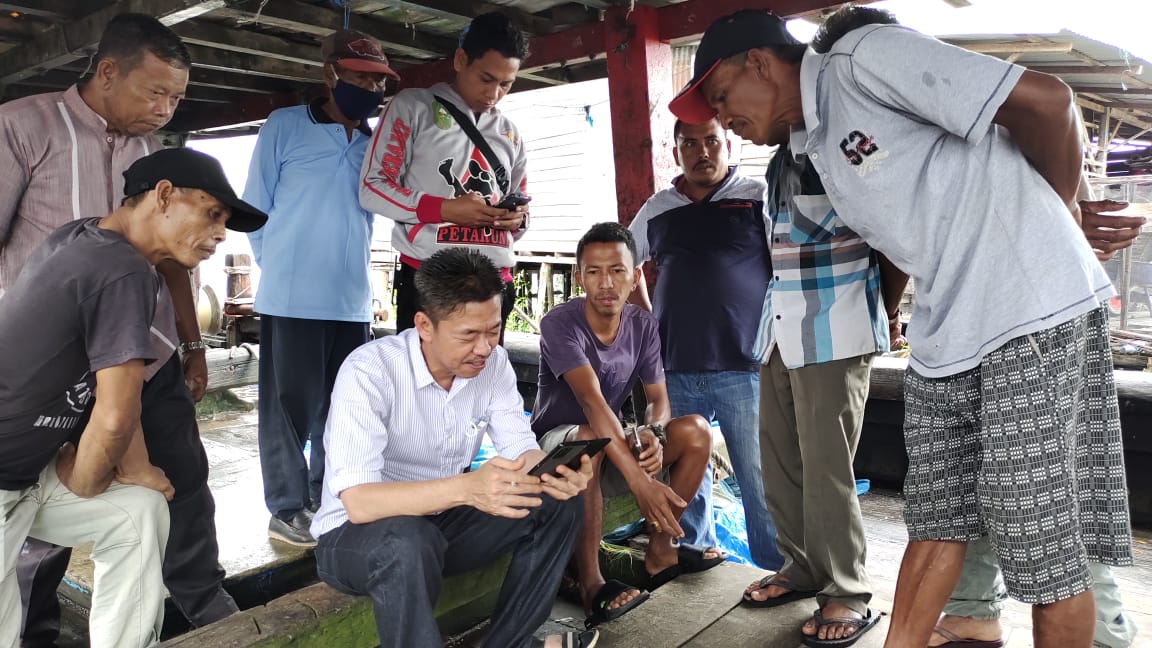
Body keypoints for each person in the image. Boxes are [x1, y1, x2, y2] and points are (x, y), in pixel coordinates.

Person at [670, 6, 1133, 648]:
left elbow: (1048, 103)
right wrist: (892, 310)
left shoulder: (861, 59)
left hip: (1027, 310)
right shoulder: (817, 143)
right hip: (946, 328)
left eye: (722, 98)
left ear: (759, 63)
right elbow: (898, 237)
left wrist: (1063, 219)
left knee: (1042, 547)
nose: (722, 121)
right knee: (935, 518)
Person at [0, 14, 239, 642]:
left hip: (144, 352)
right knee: (38, 519)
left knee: (177, 485)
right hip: (53, 368)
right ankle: (34, 629)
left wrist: (191, 344)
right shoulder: (23, 127)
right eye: (155, 92)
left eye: (176, 99)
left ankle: (207, 614)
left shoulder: (154, 157)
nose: (165, 109)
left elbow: (173, 261)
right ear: (108, 72)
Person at [311, 248, 597, 648]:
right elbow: (358, 503)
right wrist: (466, 489)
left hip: (440, 527)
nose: (484, 348)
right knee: (407, 541)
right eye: (468, 335)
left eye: (493, 330)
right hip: (356, 539)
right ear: (424, 326)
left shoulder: (493, 365)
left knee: (557, 502)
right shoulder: (370, 371)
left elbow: (520, 449)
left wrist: (555, 473)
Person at [932, 185, 1146, 648]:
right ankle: (971, 610)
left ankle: (1102, 633)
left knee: (1051, 482)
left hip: (1042, 302)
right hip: (974, 299)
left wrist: (1066, 217)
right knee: (972, 468)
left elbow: (1062, 173)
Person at [242, 29, 399, 547]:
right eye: (360, 78)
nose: (371, 89)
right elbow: (254, 210)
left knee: (344, 409)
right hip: (291, 298)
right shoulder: (284, 126)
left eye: (378, 82)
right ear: (330, 74)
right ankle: (287, 508)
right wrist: (281, 270)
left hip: (351, 300)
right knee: (288, 410)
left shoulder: (376, 146)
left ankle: (330, 498)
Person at [532, 222, 723, 628]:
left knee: (696, 431)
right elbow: (592, 403)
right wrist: (640, 482)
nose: (606, 283)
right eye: (594, 271)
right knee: (591, 438)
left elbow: (658, 399)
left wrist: (654, 432)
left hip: (610, 444)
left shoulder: (642, 324)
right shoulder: (559, 324)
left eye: (617, 270)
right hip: (557, 451)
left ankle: (661, 551)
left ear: (635, 276)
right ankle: (591, 585)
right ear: (579, 277)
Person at [627, 117, 783, 571]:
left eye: (711, 141)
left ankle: (776, 566)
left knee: (758, 475)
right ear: (676, 150)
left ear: (727, 145)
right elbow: (624, 260)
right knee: (682, 470)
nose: (702, 152)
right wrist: (647, 320)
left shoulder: (756, 196)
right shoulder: (659, 207)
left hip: (744, 363)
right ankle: (693, 549)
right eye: (689, 143)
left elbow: (785, 263)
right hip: (675, 364)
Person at [360, 12, 530, 340]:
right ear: (460, 60)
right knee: (421, 373)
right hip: (431, 282)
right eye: (486, 79)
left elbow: (523, 211)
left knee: (485, 373)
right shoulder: (413, 107)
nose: (494, 93)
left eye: (505, 84)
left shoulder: (510, 134)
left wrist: (516, 219)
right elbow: (372, 187)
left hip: (496, 284)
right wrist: (444, 209)